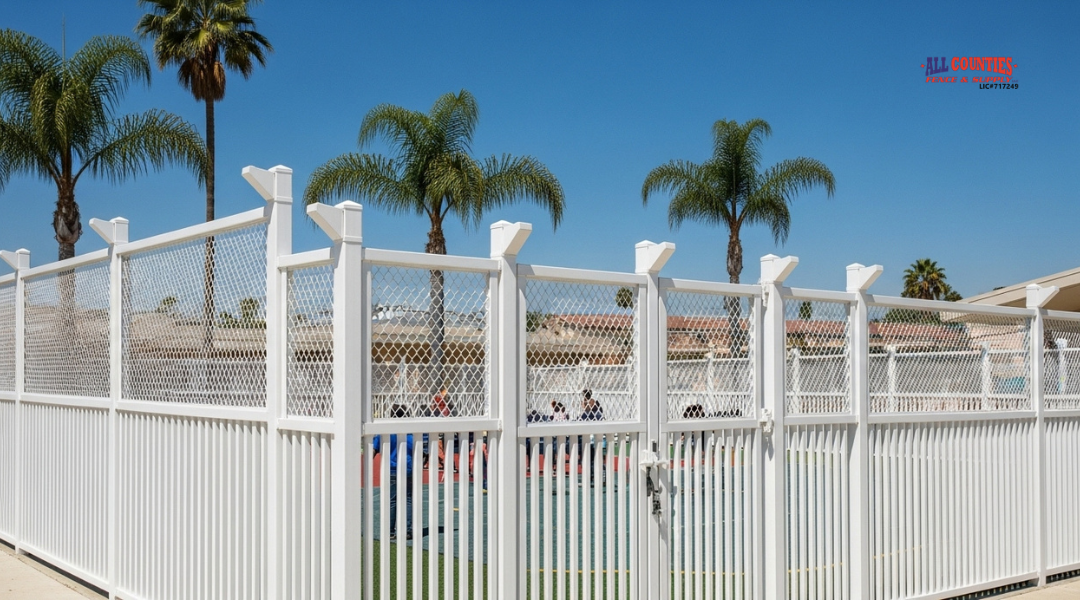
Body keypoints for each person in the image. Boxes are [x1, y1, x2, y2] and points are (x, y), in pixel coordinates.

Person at [372, 405, 415, 540]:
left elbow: (374, 448)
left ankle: (390, 531)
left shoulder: (386, 432)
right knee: (407, 499)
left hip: (391, 468)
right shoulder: (411, 433)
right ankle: (407, 530)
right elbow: (419, 450)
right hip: (407, 468)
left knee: (392, 500)